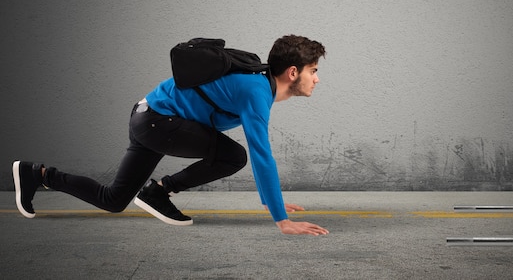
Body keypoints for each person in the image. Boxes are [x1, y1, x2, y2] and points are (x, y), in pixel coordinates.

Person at [13, 34, 329, 236]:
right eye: (312, 70)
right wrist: (281, 219)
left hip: (148, 117)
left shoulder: (258, 84)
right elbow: (262, 154)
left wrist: (267, 201)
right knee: (235, 155)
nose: (316, 79)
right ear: (292, 72)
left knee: (112, 200)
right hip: (158, 122)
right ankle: (159, 191)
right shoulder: (256, 92)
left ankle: (37, 174)